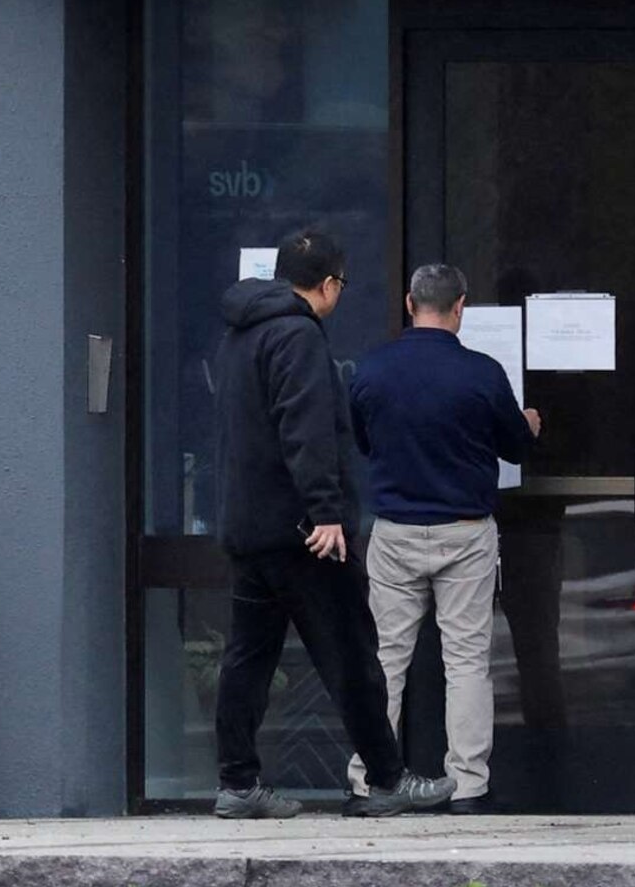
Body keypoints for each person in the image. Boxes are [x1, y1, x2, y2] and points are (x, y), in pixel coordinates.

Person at [209, 228, 452, 820]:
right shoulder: (297, 336)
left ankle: (238, 783)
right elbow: (306, 427)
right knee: (351, 654)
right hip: (303, 532)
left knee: (247, 658)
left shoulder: (239, 337)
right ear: (328, 284)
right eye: (340, 285)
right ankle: (388, 779)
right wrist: (326, 511)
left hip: (249, 527)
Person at [348, 263, 540, 815]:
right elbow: (514, 448)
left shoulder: (372, 369)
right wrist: (528, 424)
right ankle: (469, 785)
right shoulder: (482, 372)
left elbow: (363, 441)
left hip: (395, 530)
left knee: (385, 659)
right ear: (460, 308)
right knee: (466, 661)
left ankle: (369, 780)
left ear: (410, 303)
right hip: (465, 530)